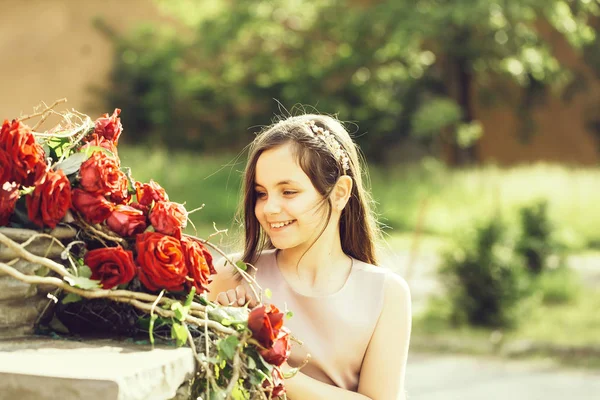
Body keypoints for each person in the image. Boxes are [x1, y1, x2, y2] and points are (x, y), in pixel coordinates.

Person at [207, 114, 411, 399]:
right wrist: (224, 331)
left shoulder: (386, 294)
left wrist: (264, 363)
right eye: (261, 194)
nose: (269, 208)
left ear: (340, 193)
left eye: (288, 192)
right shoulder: (230, 277)